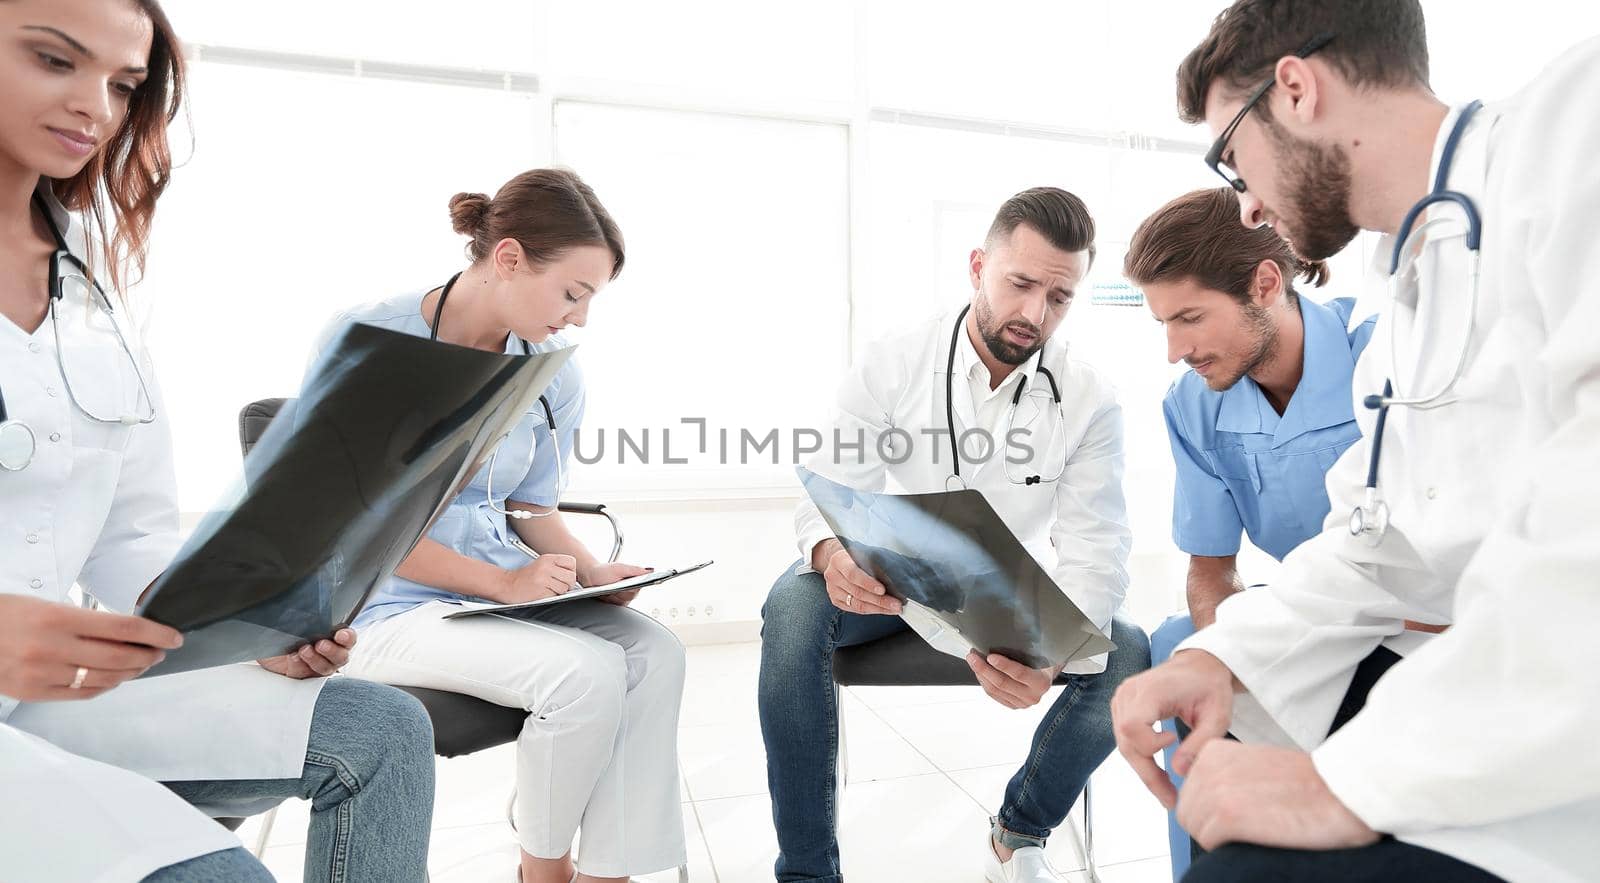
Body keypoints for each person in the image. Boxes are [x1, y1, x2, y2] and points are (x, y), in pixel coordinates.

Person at [1110, 2, 1600, 881]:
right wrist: (1219, 655)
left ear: (1295, 89)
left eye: (1232, 156)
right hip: (1479, 700)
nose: (1247, 199)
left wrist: (1345, 784)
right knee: (1227, 792)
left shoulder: (1574, 124)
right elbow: (1375, 548)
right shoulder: (1412, 289)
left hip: (1560, 733)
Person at [0, 1, 436, 881]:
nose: (96, 106)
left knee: (383, 729)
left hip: (48, 698)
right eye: (54, 60)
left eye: (122, 86)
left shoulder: (92, 270)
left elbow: (133, 536)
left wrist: (253, 629)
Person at [759, 187, 1151, 883]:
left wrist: (1054, 652)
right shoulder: (892, 361)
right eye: (1020, 283)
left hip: (997, 604)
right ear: (978, 266)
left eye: (1060, 297)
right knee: (792, 608)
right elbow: (825, 487)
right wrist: (831, 552)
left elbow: (1097, 550)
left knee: (1126, 653)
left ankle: (1020, 830)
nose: (1036, 313)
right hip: (889, 593)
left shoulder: (1091, 400)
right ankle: (808, 873)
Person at [311, 168, 687, 883]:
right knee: (585, 674)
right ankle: (543, 873)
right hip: (376, 606)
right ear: (507, 258)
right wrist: (503, 581)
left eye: (591, 299)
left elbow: (530, 507)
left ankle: (608, 874)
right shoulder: (368, 339)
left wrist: (592, 571)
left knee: (656, 655)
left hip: (493, 596)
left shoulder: (551, 372)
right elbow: (358, 524)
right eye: (572, 293)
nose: (579, 317)